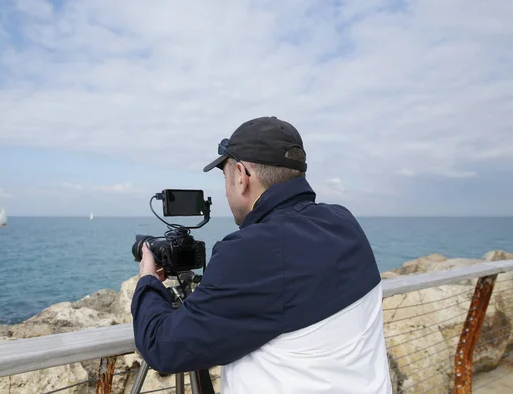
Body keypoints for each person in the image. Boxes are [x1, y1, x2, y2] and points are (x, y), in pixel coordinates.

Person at [131, 116, 393, 393]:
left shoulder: (253, 249)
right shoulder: (343, 222)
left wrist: (148, 281)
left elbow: (162, 346)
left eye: (226, 178)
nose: (226, 190)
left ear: (242, 177)